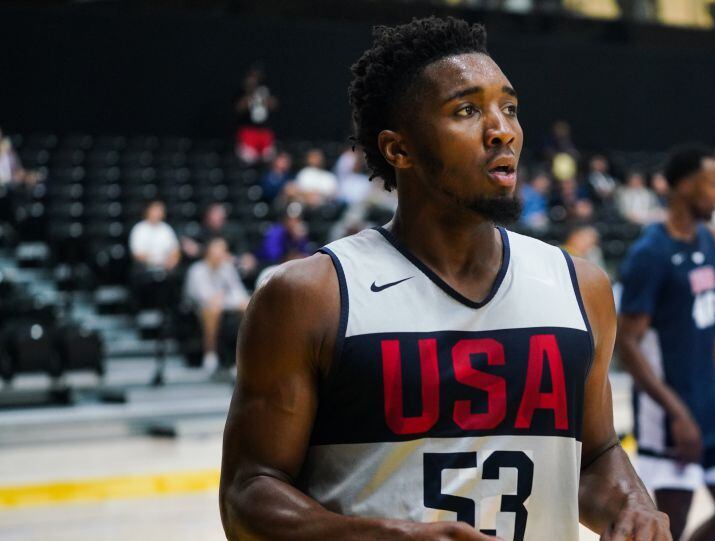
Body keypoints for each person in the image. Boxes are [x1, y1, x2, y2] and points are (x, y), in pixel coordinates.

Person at [219, 17, 669, 541]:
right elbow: (248, 494)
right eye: (467, 110)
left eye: (510, 108)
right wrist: (393, 538)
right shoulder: (309, 296)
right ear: (398, 149)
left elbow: (594, 456)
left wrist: (631, 507)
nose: (502, 128)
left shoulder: (580, 288)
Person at [616, 145, 715, 541]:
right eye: (713, 184)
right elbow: (627, 344)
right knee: (668, 528)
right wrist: (676, 413)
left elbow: (707, 331)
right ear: (685, 187)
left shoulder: (708, 241)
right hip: (670, 414)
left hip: (712, 404)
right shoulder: (650, 253)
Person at [183, 237, 250, 370]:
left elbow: (239, 292)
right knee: (213, 310)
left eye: (223, 250)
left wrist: (237, 301)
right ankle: (210, 353)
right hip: (199, 308)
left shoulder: (227, 268)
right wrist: (222, 299)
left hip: (225, 304)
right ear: (209, 251)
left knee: (248, 306)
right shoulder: (197, 270)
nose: (221, 253)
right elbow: (204, 297)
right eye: (217, 249)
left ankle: (243, 354)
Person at [235, 66, 279, 164]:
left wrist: (263, 99)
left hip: (264, 131)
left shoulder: (265, 89)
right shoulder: (242, 90)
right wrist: (249, 93)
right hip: (248, 130)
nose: (255, 79)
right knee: (248, 158)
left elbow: (274, 105)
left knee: (269, 156)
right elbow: (238, 108)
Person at [129, 200, 180, 273]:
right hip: (145, 268)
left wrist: (172, 262)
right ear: (148, 211)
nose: (157, 213)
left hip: (165, 268)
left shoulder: (166, 229)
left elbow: (175, 251)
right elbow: (137, 255)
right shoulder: (139, 229)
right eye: (155, 210)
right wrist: (158, 262)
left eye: (160, 210)